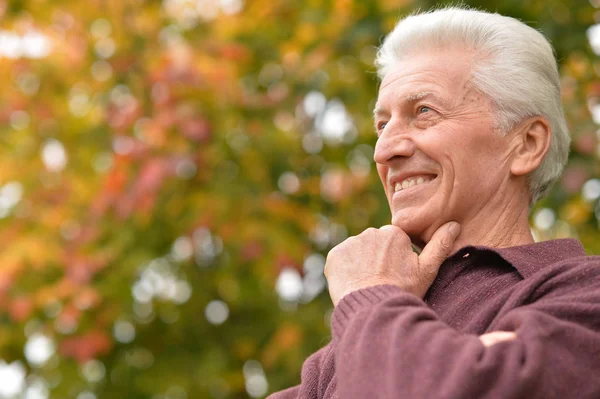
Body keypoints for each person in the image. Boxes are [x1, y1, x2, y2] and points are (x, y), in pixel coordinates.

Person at [268, 6, 600, 399]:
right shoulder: (336, 357)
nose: (384, 150)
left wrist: (369, 298)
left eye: (424, 111)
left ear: (526, 144)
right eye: (381, 124)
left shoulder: (584, 296)